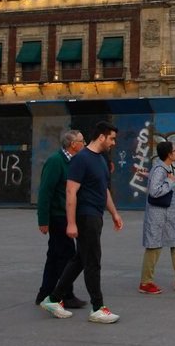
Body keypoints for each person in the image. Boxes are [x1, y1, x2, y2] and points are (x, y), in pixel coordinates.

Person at [40, 121, 123, 323]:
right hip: (85, 217)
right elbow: (71, 191)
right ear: (101, 137)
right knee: (93, 261)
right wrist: (71, 223)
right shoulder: (82, 159)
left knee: (80, 259)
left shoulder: (101, 160)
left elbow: (103, 190)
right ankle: (98, 307)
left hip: (96, 216)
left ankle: (53, 298)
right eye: (111, 138)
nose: (113, 143)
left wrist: (114, 213)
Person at [35, 129, 87, 308]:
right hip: (59, 216)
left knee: (55, 256)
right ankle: (66, 294)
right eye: (82, 141)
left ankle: (44, 293)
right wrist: (43, 220)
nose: (84, 143)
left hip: (67, 215)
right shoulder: (56, 162)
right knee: (67, 256)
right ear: (73, 145)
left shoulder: (74, 161)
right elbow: (45, 192)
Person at [138, 141, 175, 294]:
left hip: (168, 216)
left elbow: (154, 181)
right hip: (158, 215)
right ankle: (145, 282)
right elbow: (154, 191)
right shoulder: (160, 169)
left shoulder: (163, 167)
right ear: (169, 154)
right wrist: (170, 182)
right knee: (154, 247)